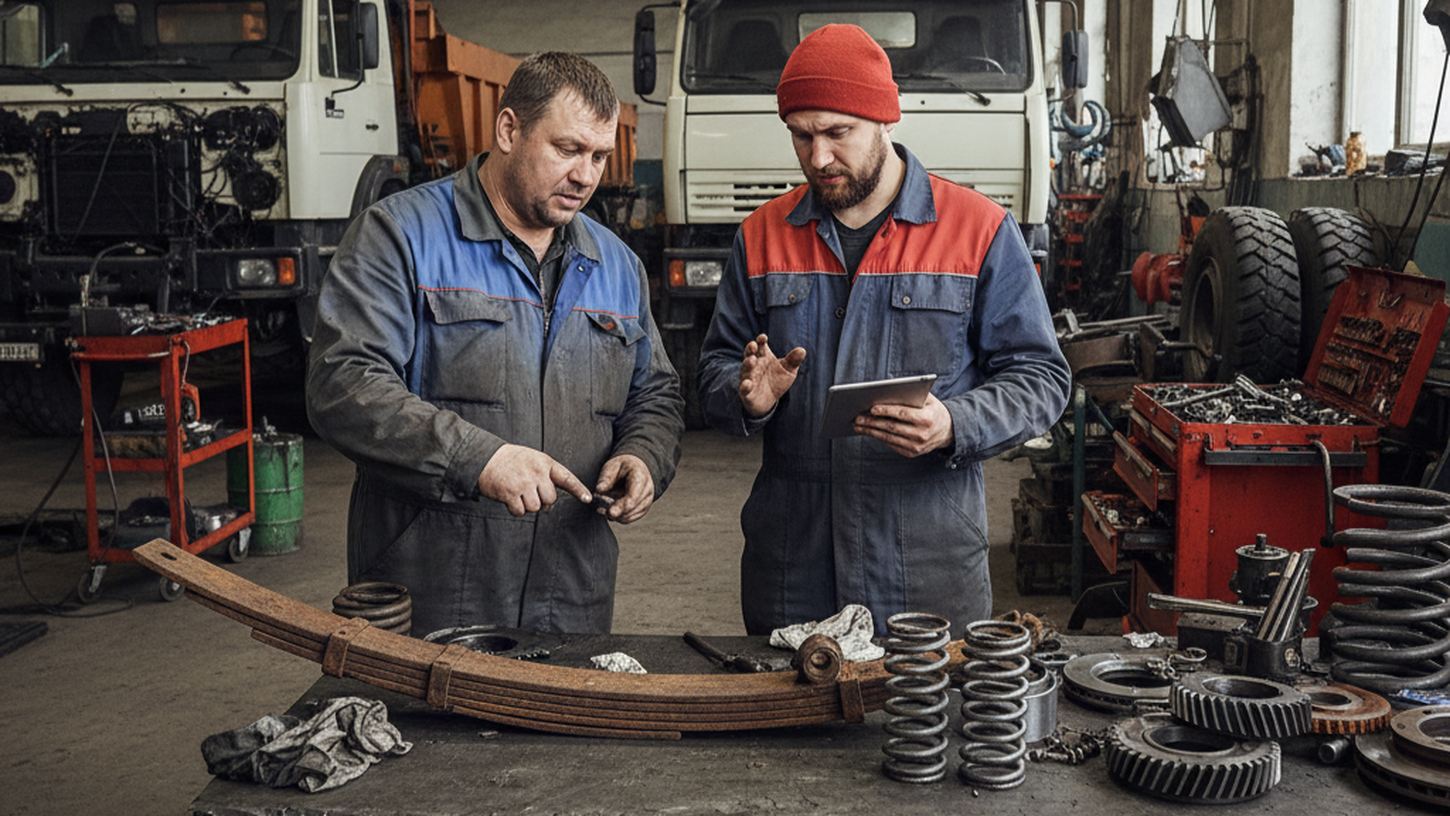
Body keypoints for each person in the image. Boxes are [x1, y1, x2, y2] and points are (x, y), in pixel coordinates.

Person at [698, 25, 1071, 636]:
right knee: (786, 728)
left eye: (837, 133)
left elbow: (1041, 377)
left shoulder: (979, 230)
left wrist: (956, 423)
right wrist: (747, 397)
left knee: (927, 727)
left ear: (884, 121)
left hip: (926, 562)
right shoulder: (760, 235)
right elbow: (713, 368)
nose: (818, 157)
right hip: (794, 566)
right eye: (801, 135)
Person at [308, 52, 684, 636]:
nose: (586, 175)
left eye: (599, 155)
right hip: (432, 594)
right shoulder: (399, 236)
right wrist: (479, 458)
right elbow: (344, 384)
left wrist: (643, 458)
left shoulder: (617, 265)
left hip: (572, 594)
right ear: (509, 130)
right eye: (567, 149)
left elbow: (654, 393)